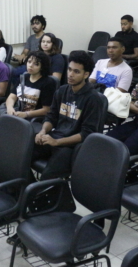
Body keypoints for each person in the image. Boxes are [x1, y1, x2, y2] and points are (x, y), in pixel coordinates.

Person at [32, 50, 103, 180]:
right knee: (20, 156)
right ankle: (23, 189)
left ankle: (45, 191)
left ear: (86, 74)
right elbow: (51, 116)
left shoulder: (93, 99)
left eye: (76, 72)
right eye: (69, 69)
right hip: (54, 137)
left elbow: (87, 133)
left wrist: (57, 142)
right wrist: (42, 131)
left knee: (47, 178)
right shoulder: (62, 90)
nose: (70, 74)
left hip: (72, 147)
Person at [0, 51, 56, 158]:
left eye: (36, 64)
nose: (30, 65)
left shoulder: (48, 83)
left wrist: (26, 114)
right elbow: (11, 97)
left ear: (42, 67)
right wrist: (10, 107)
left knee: (3, 140)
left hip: (30, 120)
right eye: (29, 62)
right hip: (14, 115)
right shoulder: (23, 78)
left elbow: (46, 110)